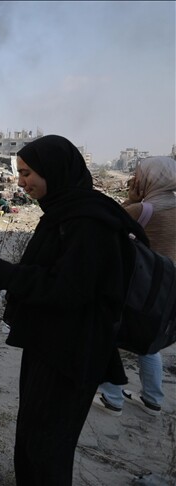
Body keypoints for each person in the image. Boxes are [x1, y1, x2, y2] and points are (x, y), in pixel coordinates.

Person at [0, 135, 144, 485]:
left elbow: (68, 289)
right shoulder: (66, 211)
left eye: (27, 173)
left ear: (54, 170)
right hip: (49, 341)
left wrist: (1, 272)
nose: (20, 182)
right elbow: (53, 273)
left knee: (46, 445)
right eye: (19, 173)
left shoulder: (88, 222)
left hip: (71, 349)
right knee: (34, 434)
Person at [93, 156, 175, 417]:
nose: (135, 178)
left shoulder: (144, 210)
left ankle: (111, 397)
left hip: (136, 284)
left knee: (110, 334)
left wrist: (130, 200)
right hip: (168, 288)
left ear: (150, 178)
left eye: (140, 174)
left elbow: (108, 225)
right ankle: (152, 399)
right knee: (148, 341)